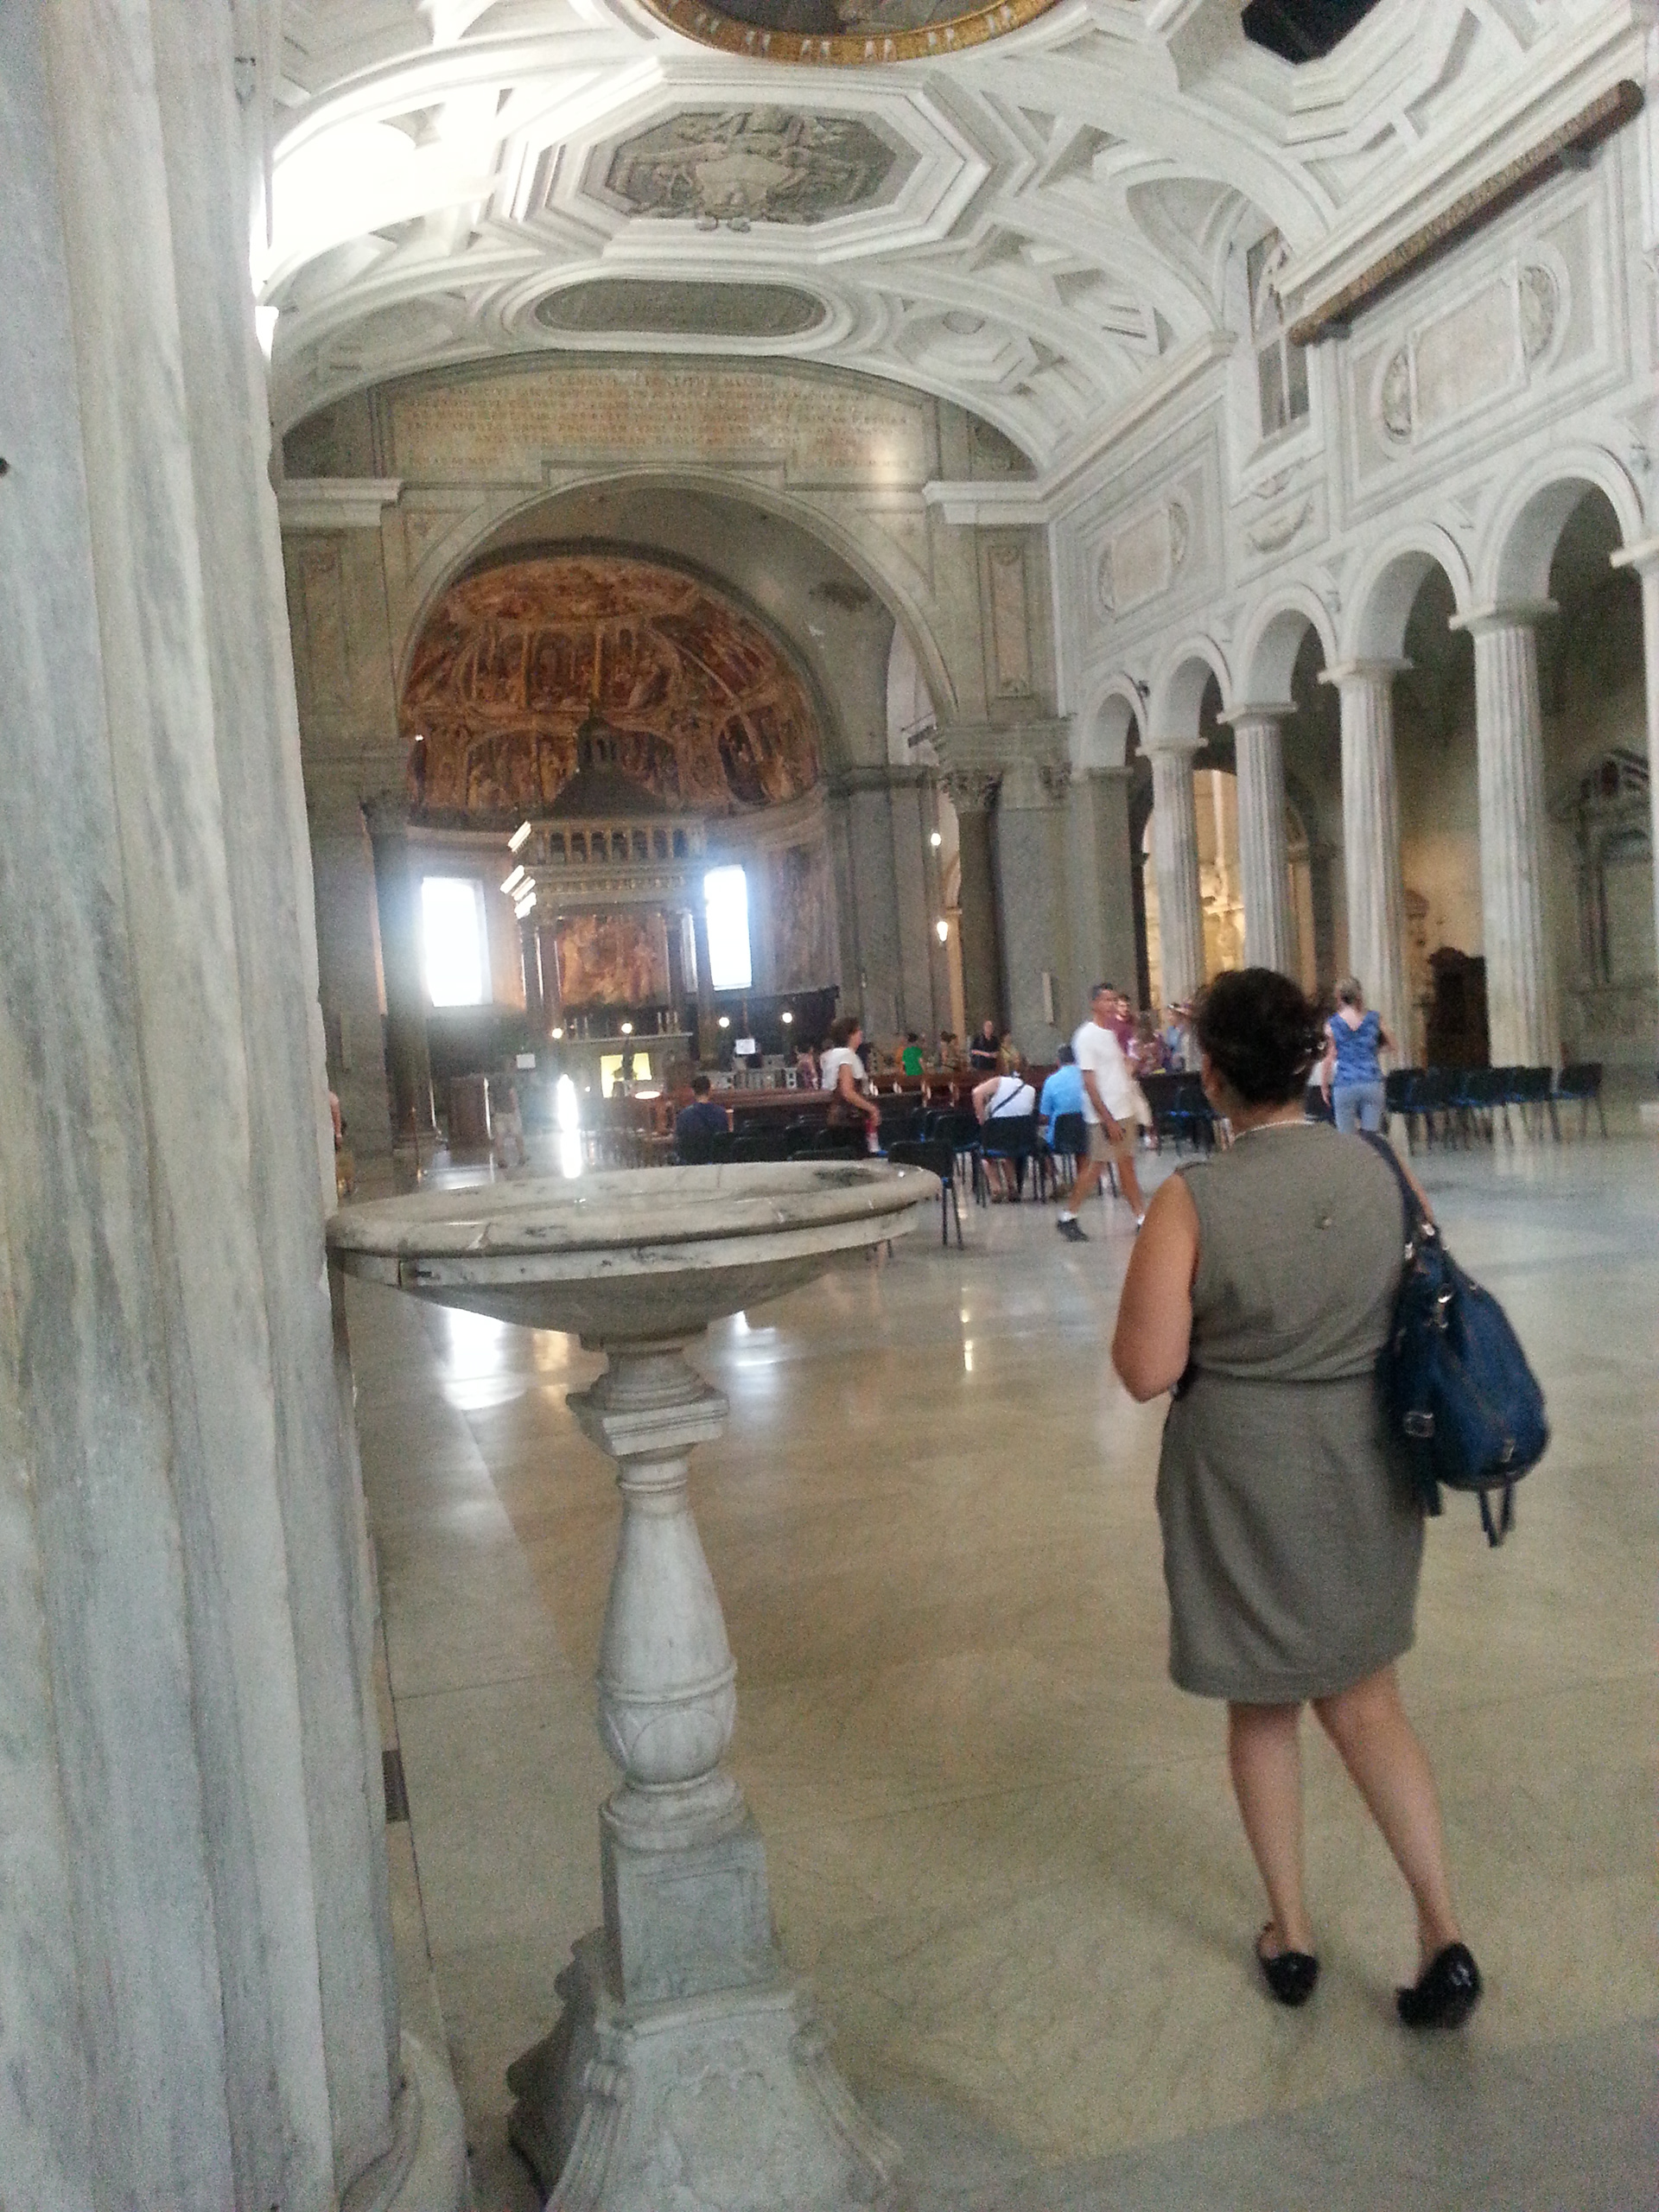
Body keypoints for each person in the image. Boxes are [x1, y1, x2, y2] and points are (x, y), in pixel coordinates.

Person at [1110, 968, 1479, 2030]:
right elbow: (1423, 1285)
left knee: (1264, 1701)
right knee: (1369, 1700)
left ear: (1212, 1074)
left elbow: (1145, 1369)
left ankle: (1294, 1935)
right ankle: (1441, 1928)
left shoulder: (1191, 1198)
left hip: (1244, 1465)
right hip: (1368, 1454)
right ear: (1319, 1059)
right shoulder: (1380, 1167)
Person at [1057, 982, 1147, 1240]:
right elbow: (1089, 1081)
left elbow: (1117, 1072)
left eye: (1114, 1000)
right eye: (1106, 1000)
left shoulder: (1110, 1034)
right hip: (1105, 1115)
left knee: (1125, 1163)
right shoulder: (1086, 1036)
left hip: (1122, 1109)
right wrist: (1107, 1118)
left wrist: (1135, 1060)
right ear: (1094, 1004)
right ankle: (1068, 1216)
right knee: (1096, 1166)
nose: (1111, 1005)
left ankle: (1141, 1217)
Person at [1319, 977, 1395, 1134]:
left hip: (1345, 1083)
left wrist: (1324, 1085)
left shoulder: (1332, 1023)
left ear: (1339, 997)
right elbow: (1393, 1045)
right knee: (1371, 1137)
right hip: (1372, 1081)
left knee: (1347, 1138)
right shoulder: (1375, 1018)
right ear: (1359, 995)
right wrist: (1373, 1051)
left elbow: (1329, 1057)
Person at [973, 1060, 1036, 1200]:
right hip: (1021, 1138)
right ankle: (1011, 1187)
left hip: (997, 1130)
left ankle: (996, 1187)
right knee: (1008, 1155)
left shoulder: (1000, 1081)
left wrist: (981, 1117)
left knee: (987, 1156)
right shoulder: (1031, 1090)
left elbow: (977, 1092)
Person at [821, 1014, 881, 1143]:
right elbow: (847, 1091)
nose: (861, 1033)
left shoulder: (833, 1055)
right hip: (849, 1120)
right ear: (849, 1035)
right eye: (858, 1030)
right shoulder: (846, 1055)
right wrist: (872, 1108)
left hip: (836, 1118)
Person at [1038, 1043, 1085, 1192]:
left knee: (1039, 1143)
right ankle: (1082, 1179)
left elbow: (1044, 1116)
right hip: (1086, 1133)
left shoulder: (1051, 1081)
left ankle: (1057, 1178)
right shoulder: (1087, 1077)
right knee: (1082, 1144)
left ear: (1058, 1062)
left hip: (1060, 1137)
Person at [674, 1072, 730, 1162]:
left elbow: (680, 1140)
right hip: (715, 1159)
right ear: (710, 1090)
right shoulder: (721, 1113)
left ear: (693, 1091)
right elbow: (724, 1138)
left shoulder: (684, 1115)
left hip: (692, 1160)